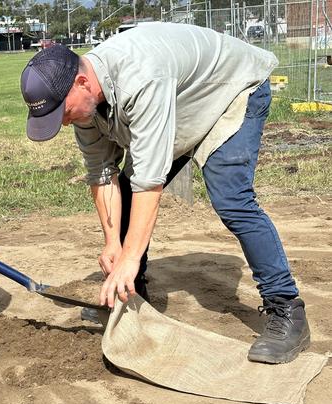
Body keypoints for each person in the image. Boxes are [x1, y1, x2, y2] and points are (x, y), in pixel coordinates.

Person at [20, 23, 309, 364]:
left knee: (232, 198)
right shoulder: (83, 101)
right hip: (182, 102)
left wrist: (128, 258)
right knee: (124, 193)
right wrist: (113, 243)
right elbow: (101, 174)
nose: (64, 123)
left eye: (63, 113)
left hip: (230, 92)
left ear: (82, 83)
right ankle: (130, 291)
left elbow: (150, 182)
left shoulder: (141, 77)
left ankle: (287, 309)